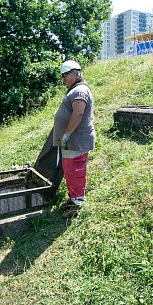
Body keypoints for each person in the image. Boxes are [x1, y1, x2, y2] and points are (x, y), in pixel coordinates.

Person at [53, 60, 95, 219]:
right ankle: (73, 198)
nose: (63, 79)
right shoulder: (75, 90)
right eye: (62, 76)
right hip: (71, 141)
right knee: (69, 170)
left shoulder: (80, 90)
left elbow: (78, 113)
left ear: (75, 73)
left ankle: (79, 204)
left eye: (65, 75)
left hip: (76, 140)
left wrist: (66, 134)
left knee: (76, 171)